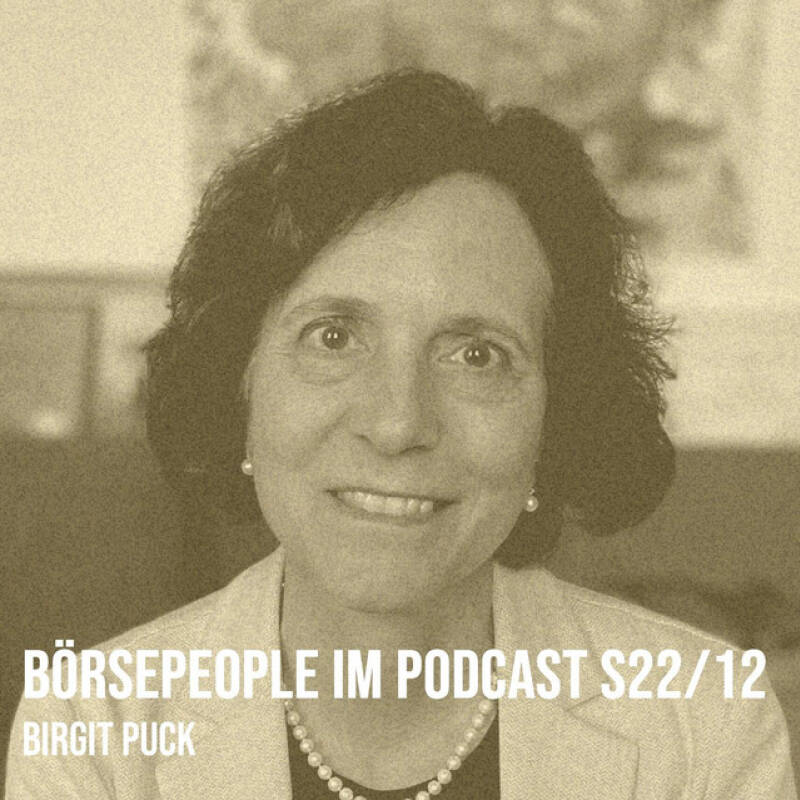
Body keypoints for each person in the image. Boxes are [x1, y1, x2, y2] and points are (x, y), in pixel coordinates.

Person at [6, 69, 795, 799]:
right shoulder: (91, 729)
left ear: (558, 418)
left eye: (477, 355)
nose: (397, 424)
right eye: (333, 337)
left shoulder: (706, 725)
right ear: (238, 383)